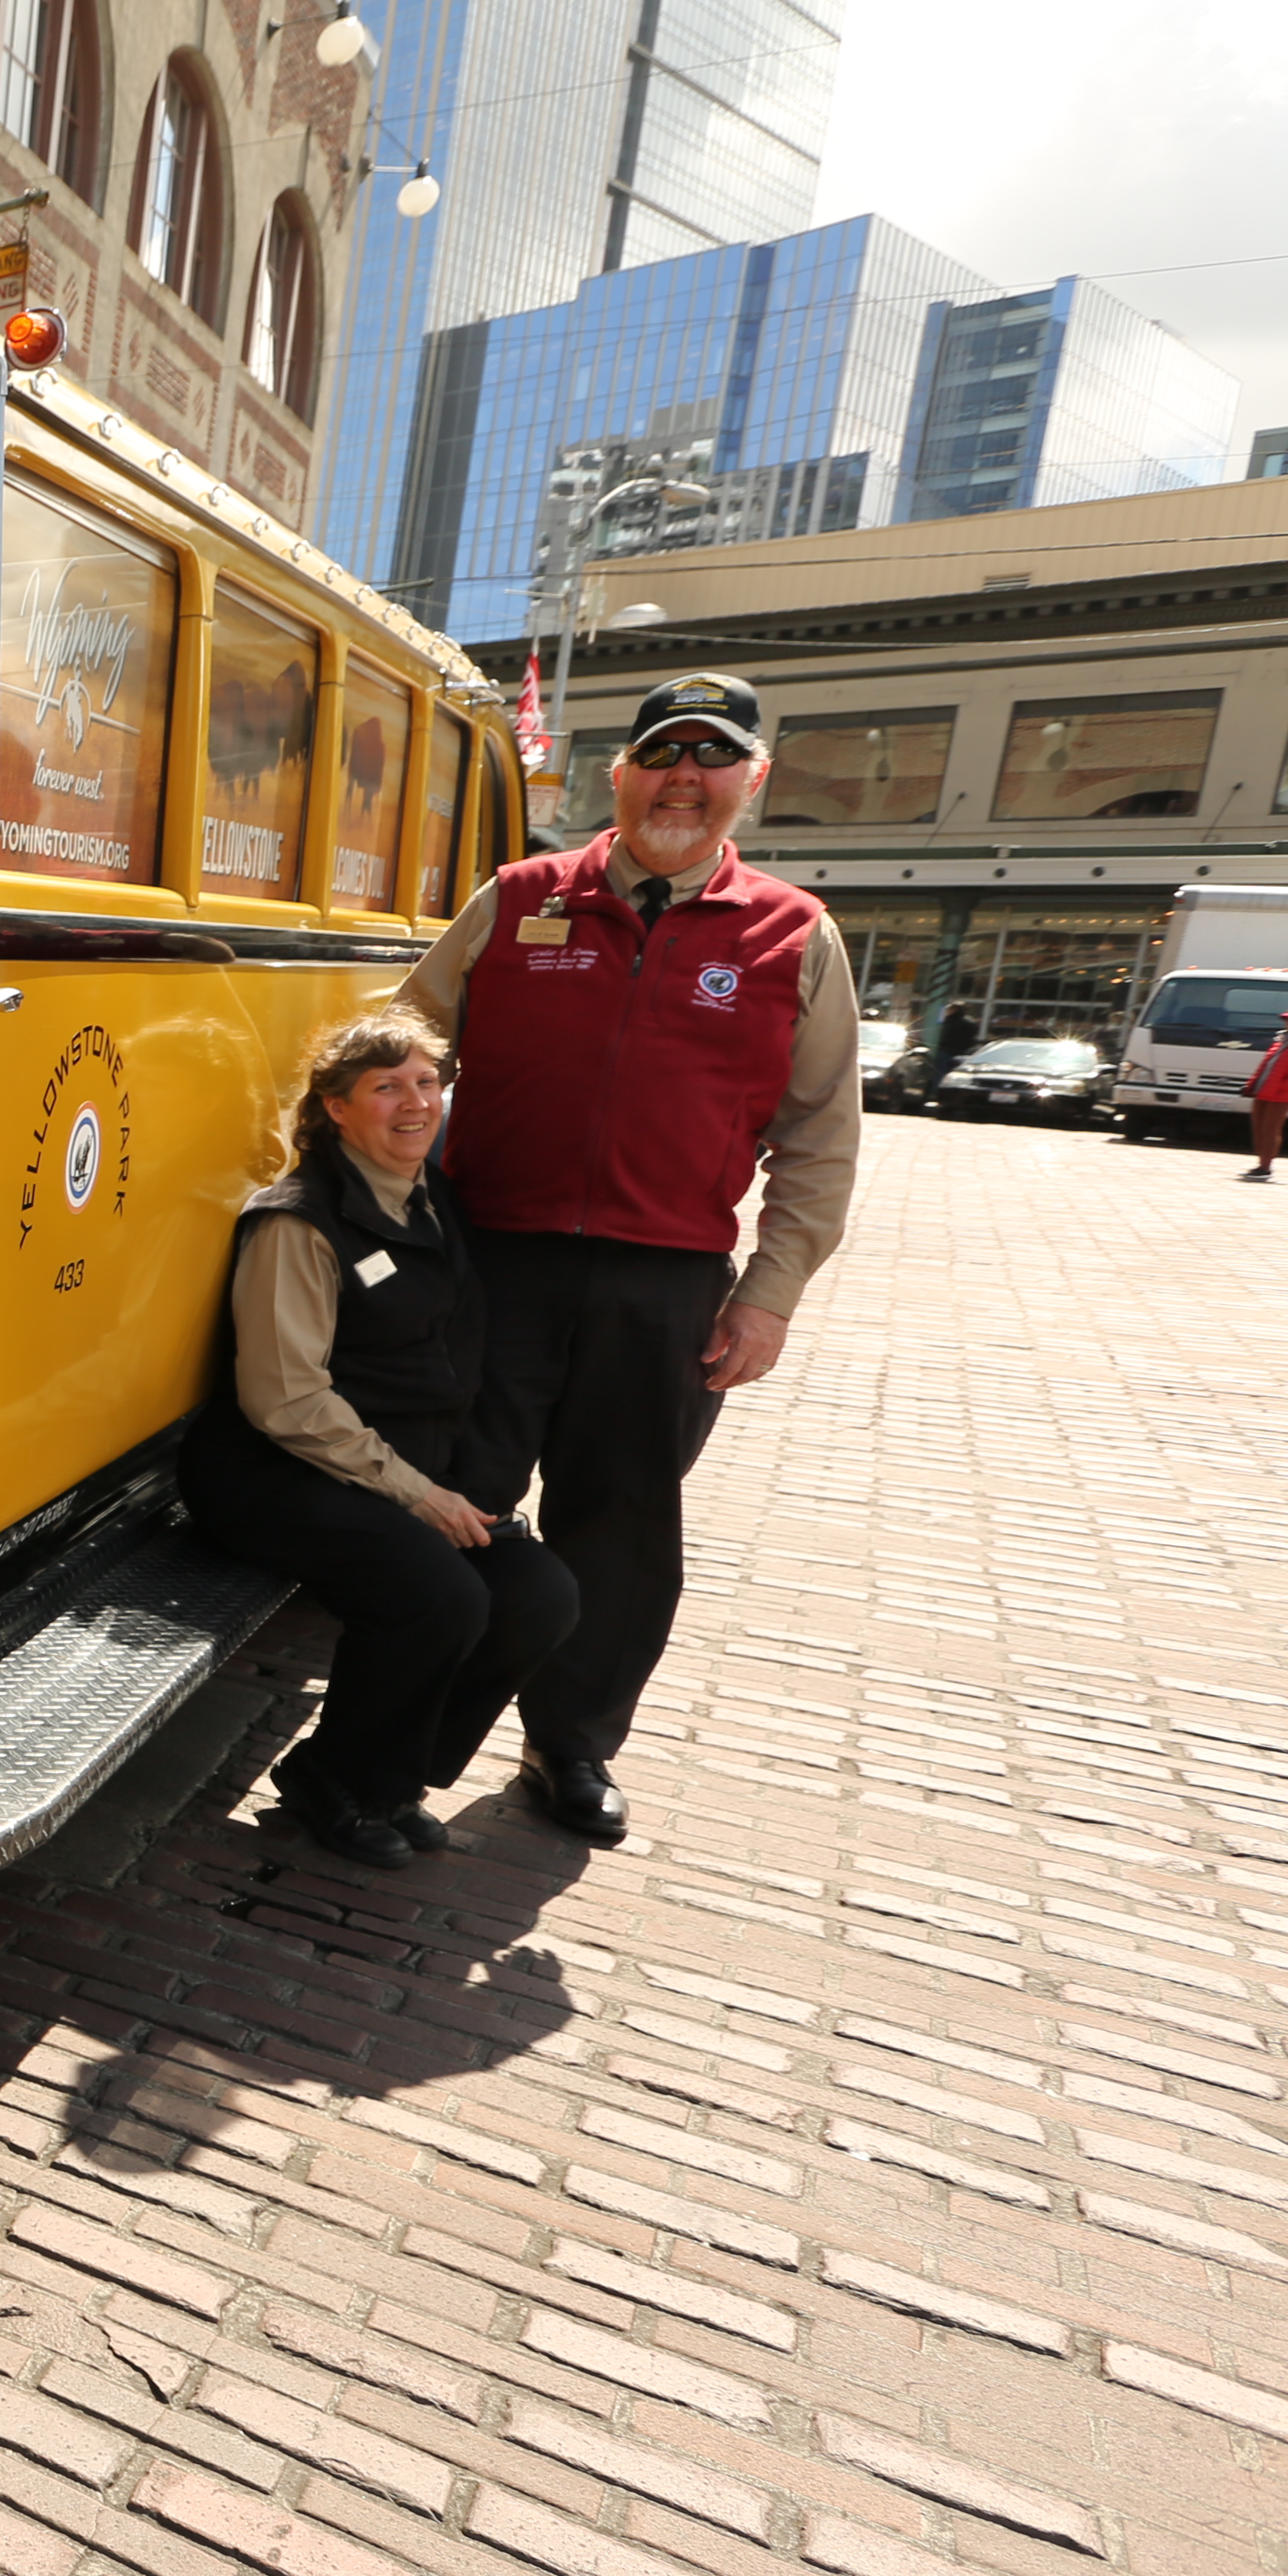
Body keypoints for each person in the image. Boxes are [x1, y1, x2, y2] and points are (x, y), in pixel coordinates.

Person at [401, 670, 859, 1844]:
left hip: (666, 1288)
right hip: (493, 1265)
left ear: (750, 783)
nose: (685, 779)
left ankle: (571, 1747)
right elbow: (400, 1048)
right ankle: (398, 1741)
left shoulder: (793, 935)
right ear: (622, 772)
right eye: (665, 754)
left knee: (621, 1528)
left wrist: (769, 1299)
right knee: (448, 1509)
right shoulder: (519, 898)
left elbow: (820, 1138)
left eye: (713, 760)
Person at [183, 1013, 581, 1869]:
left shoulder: (434, 1203)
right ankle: (341, 1782)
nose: (416, 1103)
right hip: (275, 1470)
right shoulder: (298, 1221)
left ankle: (385, 1776)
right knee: (439, 1594)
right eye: (386, 1087)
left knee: (538, 1589)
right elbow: (283, 1398)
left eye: (428, 1082)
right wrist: (416, 1493)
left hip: (387, 1473)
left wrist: (454, 1484)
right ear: (335, 1108)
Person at [1243, 1003, 1288, 1181]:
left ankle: (1266, 1167)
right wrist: (1252, 1085)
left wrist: (1287, 1084)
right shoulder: (1282, 1040)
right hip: (1264, 1090)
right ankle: (1260, 1164)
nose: (1287, 1023)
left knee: (1271, 1129)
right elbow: (1266, 1067)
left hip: (1283, 1094)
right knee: (1258, 1129)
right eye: (1286, 1019)